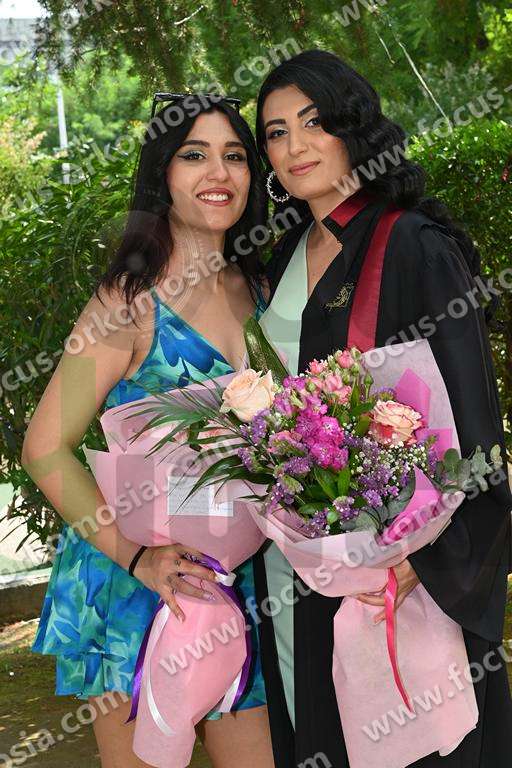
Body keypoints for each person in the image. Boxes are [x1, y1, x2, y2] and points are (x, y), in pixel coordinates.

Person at [252, 49, 512, 767]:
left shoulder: (413, 245)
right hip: (306, 565)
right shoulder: (284, 256)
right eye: (275, 132)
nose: (295, 146)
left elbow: (473, 424)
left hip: (405, 574)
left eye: (313, 122)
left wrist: (422, 560)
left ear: (353, 126)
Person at [22, 95, 274, 768]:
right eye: (194, 155)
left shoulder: (265, 289)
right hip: (133, 579)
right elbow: (44, 447)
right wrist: (138, 559)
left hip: (241, 580)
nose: (218, 172)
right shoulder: (128, 302)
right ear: (163, 174)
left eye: (235, 156)